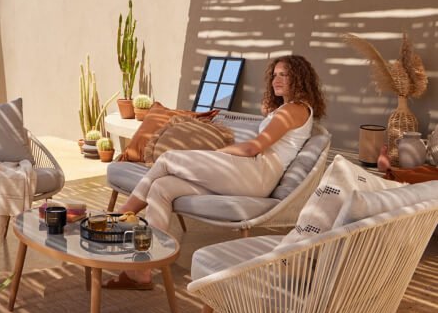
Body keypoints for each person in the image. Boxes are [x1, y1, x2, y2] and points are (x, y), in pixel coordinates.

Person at [103, 54, 326, 289]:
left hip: (257, 173)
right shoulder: (291, 109)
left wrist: (218, 154)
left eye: (285, 75)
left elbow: (253, 147)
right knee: (162, 187)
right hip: (252, 174)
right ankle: (142, 271)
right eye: (274, 75)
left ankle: (119, 219)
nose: (276, 80)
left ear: (299, 78)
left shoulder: (293, 109)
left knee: (168, 159)